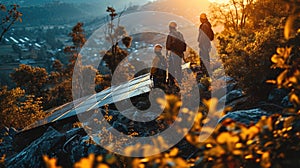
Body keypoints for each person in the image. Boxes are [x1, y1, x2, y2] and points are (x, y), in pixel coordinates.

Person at [166, 21, 186, 86]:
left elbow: (168, 46)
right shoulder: (180, 34)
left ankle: (173, 83)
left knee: (172, 68)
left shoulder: (170, 35)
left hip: (173, 53)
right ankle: (180, 81)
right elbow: (184, 44)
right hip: (180, 53)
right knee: (178, 67)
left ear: (170, 28)